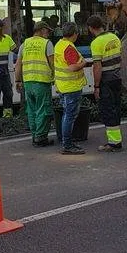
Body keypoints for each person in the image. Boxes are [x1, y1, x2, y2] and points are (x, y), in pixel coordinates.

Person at [14, 21, 55, 147]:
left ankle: (34, 135)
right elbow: (52, 63)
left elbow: (18, 64)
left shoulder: (24, 44)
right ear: (42, 30)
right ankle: (40, 138)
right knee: (43, 109)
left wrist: (17, 80)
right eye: (47, 31)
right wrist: (55, 77)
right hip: (42, 82)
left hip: (28, 83)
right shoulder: (47, 43)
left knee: (32, 110)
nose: (48, 34)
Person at [87, 15, 123, 152]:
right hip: (117, 77)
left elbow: (97, 66)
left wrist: (96, 86)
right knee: (116, 107)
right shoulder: (115, 38)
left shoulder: (96, 43)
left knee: (108, 110)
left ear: (91, 28)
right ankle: (116, 139)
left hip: (106, 80)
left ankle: (114, 143)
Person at [54, 22, 86, 155]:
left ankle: (67, 143)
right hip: (71, 87)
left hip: (63, 86)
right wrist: (83, 63)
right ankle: (67, 145)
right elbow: (72, 67)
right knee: (70, 116)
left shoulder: (59, 44)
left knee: (67, 115)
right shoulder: (68, 47)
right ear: (74, 34)